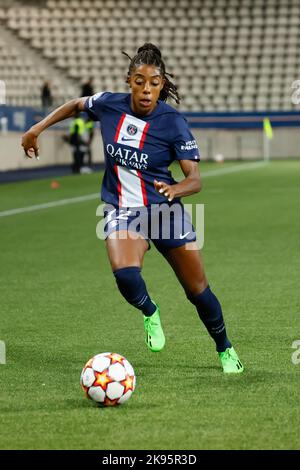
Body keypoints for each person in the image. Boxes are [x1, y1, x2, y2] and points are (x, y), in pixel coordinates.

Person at [22, 43, 244, 374]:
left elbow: (194, 179)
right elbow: (75, 105)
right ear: (129, 80)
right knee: (125, 275)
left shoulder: (172, 122)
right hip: (121, 208)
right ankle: (150, 311)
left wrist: (175, 188)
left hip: (165, 211)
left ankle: (225, 347)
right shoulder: (109, 104)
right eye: (139, 80)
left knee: (198, 292)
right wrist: (37, 128)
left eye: (154, 82)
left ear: (162, 85)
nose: (146, 89)